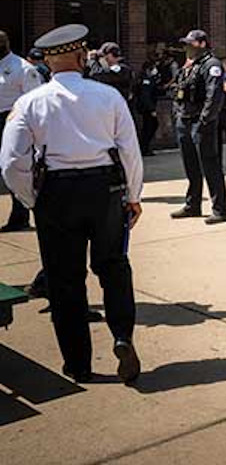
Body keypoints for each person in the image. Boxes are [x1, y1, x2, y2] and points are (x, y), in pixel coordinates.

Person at [0, 23, 143, 383]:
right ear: (81, 57)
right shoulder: (108, 96)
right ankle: (122, 336)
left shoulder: (30, 102)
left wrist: (31, 199)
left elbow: (11, 162)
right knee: (114, 266)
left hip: (57, 192)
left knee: (65, 280)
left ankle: (78, 364)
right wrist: (133, 196)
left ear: (48, 62)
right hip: (105, 189)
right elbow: (130, 150)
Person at [169, 30, 226, 224]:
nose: (187, 47)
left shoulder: (211, 65)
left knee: (210, 166)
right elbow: (179, 90)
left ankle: (220, 210)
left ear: (202, 44)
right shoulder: (190, 65)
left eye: (191, 44)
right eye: (186, 44)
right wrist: (178, 115)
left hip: (200, 122)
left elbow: (214, 95)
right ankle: (192, 205)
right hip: (184, 120)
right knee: (191, 166)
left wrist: (205, 120)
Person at [1, 30, 43, 232]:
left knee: (14, 167)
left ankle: (21, 216)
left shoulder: (23, 68)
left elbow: (34, 100)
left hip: (12, 120)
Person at [134, 60, 162, 156]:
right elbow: (145, 96)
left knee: (150, 126)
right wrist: (151, 109)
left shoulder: (150, 79)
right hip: (146, 108)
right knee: (150, 127)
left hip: (147, 107)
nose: (155, 70)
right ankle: (144, 148)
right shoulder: (145, 80)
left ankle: (145, 147)